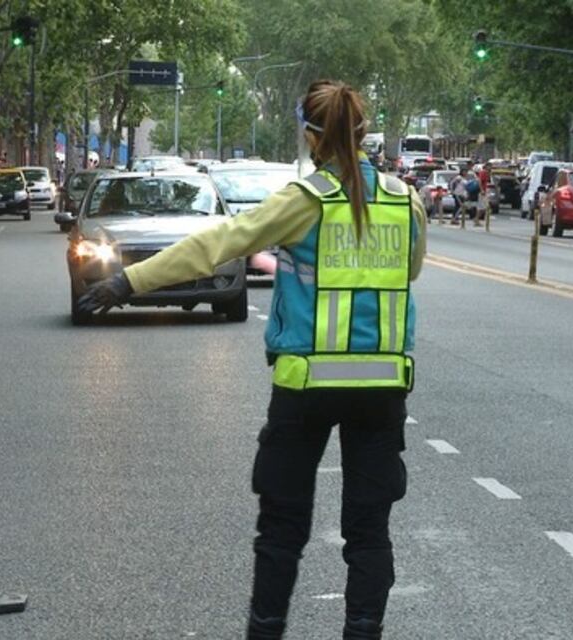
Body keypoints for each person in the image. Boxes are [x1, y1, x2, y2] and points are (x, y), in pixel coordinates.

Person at [80, 79, 427, 639]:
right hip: (383, 389)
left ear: (313, 137)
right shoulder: (404, 200)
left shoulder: (304, 200)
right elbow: (409, 272)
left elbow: (217, 244)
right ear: (362, 134)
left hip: (305, 387)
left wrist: (129, 281)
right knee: (369, 531)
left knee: (283, 529)